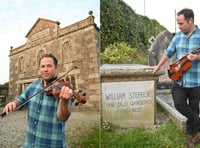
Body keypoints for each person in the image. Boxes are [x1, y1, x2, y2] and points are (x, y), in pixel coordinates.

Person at [149, 8, 200, 148]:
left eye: (181, 23)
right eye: (178, 23)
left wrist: (197, 57)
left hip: (196, 82)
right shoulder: (178, 36)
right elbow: (168, 52)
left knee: (194, 109)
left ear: (190, 20)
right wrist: (158, 66)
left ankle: (190, 141)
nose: (179, 26)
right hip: (179, 79)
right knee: (179, 104)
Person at [2, 53, 74, 148]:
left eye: (49, 66)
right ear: (39, 69)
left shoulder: (64, 89)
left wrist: (64, 101)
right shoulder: (32, 86)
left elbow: (62, 117)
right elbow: (21, 99)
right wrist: (14, 103)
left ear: (55, 68)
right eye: (42, 66)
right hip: (29, 144)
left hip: (52, 144)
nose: (45, 69)